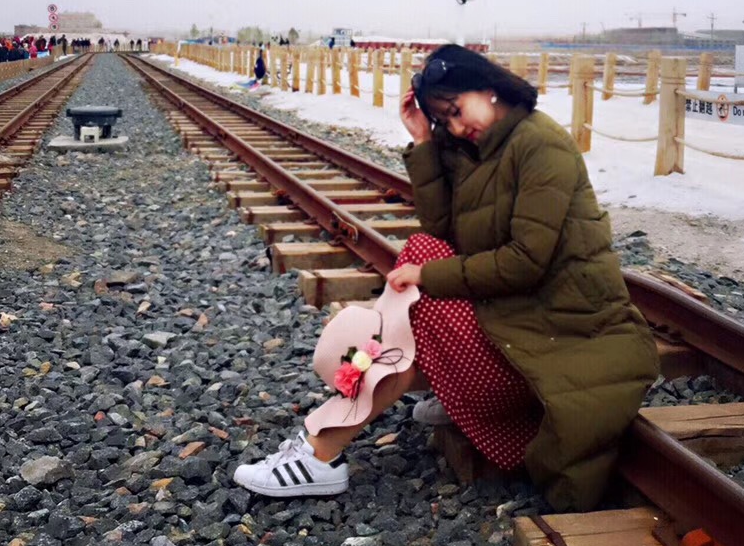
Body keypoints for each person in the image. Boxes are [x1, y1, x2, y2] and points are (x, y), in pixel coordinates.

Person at [233, 44, 659, 510]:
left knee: (419, 300)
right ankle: (346, 431)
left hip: (563, 335)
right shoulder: (481, 147)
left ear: (489, 88)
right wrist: (423, 141)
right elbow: (443, 231)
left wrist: (427, 277)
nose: (455, 127)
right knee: (422, 262)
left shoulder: (541, 145)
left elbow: (524, 262)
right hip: (525, 319)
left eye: (455, 111)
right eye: (444, 120)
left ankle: (321, 450)